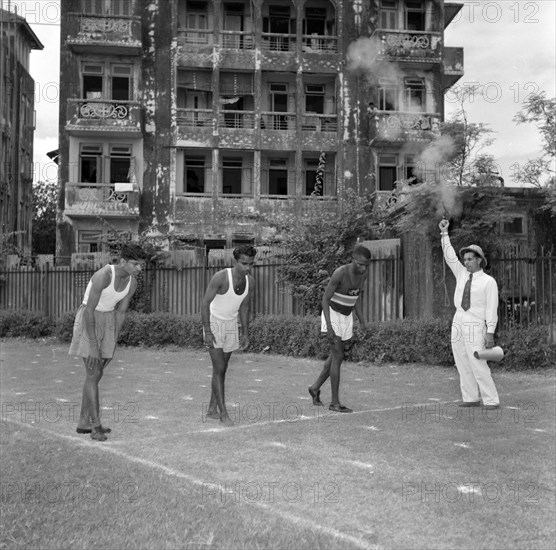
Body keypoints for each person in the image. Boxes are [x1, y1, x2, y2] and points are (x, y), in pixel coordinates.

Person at [69, 244, 145, 441]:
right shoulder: (103, 275)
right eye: (136, 264)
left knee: (95, 374)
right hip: (89, 319)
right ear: (123, 262)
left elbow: (121, 312)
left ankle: (83, 422)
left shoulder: (132, 283)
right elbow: (89, 309)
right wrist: (93, 344)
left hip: (109, 320)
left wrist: (113, 340)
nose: (139, 269)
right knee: (94, 373)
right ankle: (95, 426)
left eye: (141, 265)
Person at [439, 218, 500, 410]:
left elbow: (491, 308)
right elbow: (449, 256)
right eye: (464, 259)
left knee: (477, 360)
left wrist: (490, 331)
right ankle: (471, 397)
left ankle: (491, 399)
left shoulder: (488, 281)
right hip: (459, 319)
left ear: (479, 260)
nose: (466, 262)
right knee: (461, 360)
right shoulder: (461, 273)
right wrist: (444, 234)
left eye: (470, 258)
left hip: (476, 322)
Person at [308, 244, 372, 413]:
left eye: (366, 265)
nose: (363, 268)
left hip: (346, 316)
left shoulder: (363, 275)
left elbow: (355, 298)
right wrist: (329, 327)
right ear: (353, 260)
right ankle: (334, 403)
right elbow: (325, 299)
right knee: (337, 355)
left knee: (336, 357)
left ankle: (314, 388)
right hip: (333, 314)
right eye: (360, 264)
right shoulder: (340, 273)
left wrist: (362, 321)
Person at [201, 245, 256, 426]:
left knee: (222, 368)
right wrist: (207, 330)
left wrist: (245, 333)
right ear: (235, 261)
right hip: (214, 323)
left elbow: (245, 307)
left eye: (250, 264)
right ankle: (223, 413)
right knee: (219, 368)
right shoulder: (221, 277)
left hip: (232, 325)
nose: (247, 268)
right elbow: (205, 304)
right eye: (243, 263)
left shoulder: (250, 282)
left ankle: (211, 409)